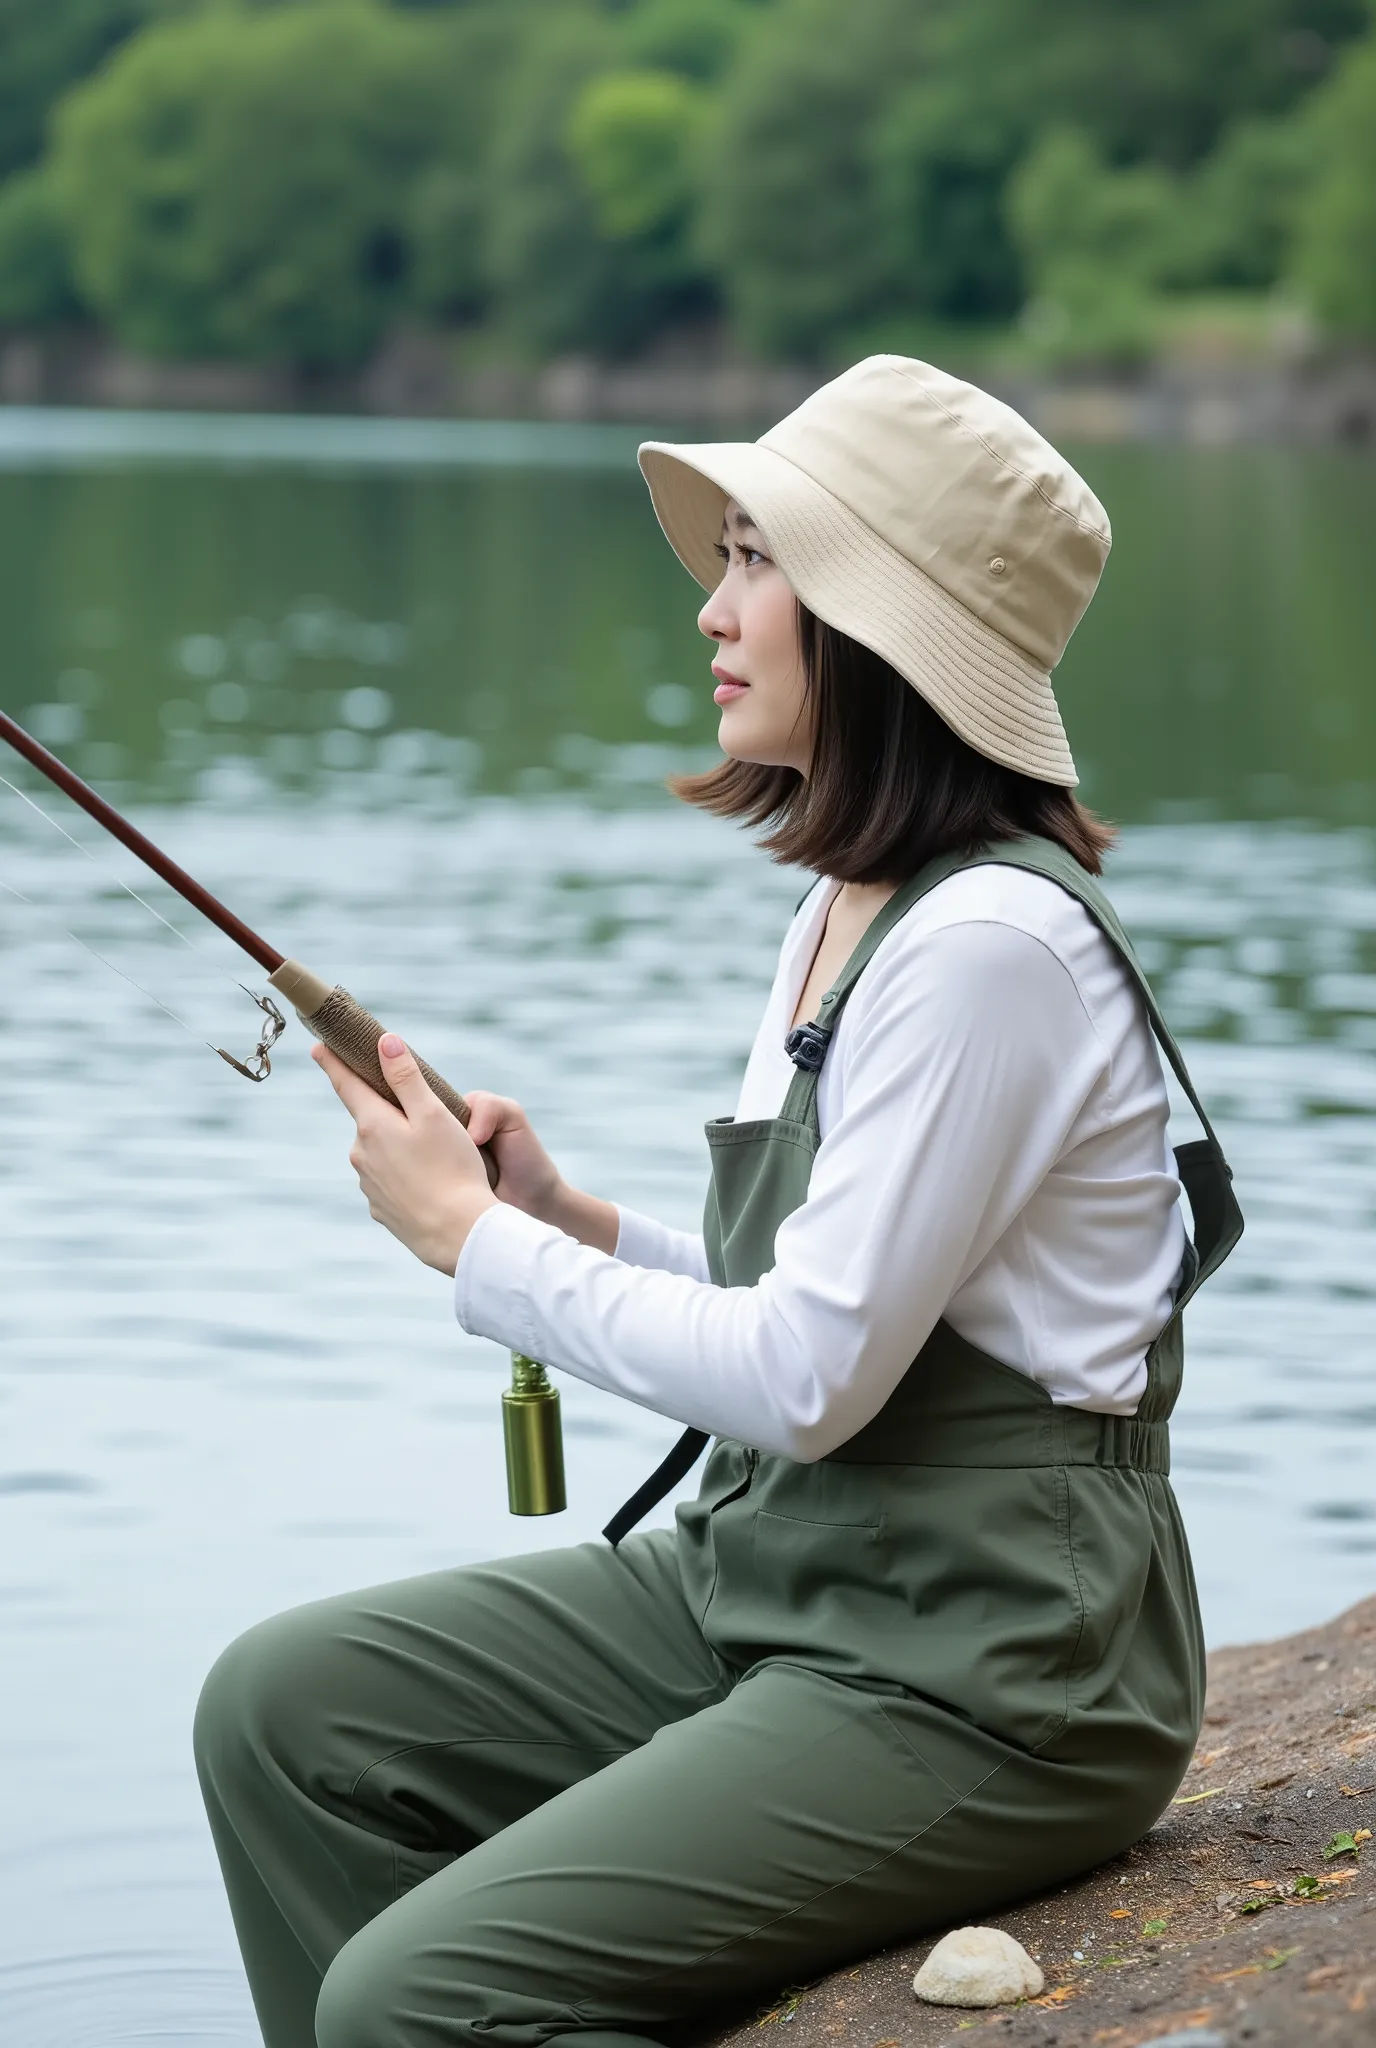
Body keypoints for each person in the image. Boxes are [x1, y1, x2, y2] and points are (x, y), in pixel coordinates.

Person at [194, 356, 1242, 2048]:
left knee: (416, 1998)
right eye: (730, 554)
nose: (713, 608)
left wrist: (484, 1245)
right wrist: (579, 1223)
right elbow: (851, 1310)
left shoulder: (988, 953)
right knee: (281, 1713)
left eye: (761, 561)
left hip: (994, 1670)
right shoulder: (851, 911)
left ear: (881, 628)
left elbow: (808, 1382)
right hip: (785, 1584)